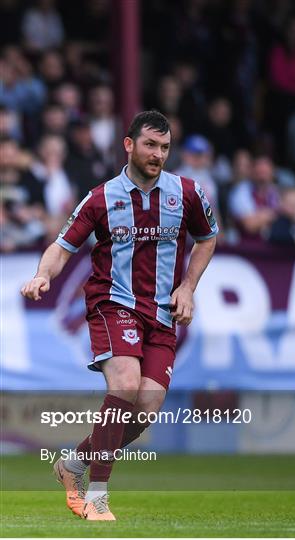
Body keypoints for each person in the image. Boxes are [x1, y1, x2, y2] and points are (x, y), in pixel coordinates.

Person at [21, 110, 218, 520]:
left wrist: (187, 287)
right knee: (126, 384)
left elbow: (207, 238)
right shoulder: (101, 197)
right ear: (129, 145)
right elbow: (61, 247)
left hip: (162, 314)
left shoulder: (186, 193)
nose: (158, 154)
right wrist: (42, 275)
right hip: (115, 303)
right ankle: (97, 494)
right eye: (150, 145)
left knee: (144, 411)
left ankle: (73, 463)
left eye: (165, 147)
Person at [228, 155, 280, 239]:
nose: (262, 176)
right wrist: (274, 213)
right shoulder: (241, 191)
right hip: (244, 245)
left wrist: (261, 216)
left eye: (265, 172)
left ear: (272, 173)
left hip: (270, 244)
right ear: (252, 172)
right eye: (259, 172)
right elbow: (250, 225)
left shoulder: (274, 191)